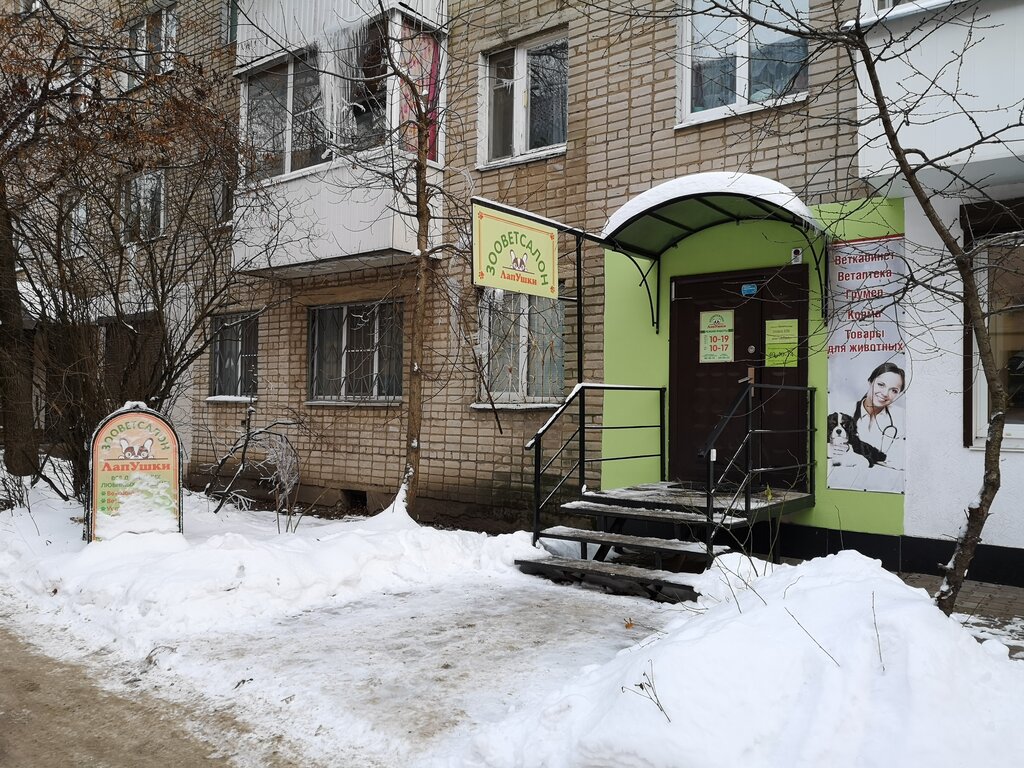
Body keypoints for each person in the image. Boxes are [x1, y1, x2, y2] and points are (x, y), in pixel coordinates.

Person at [851, 361, 905, 461]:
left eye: (894, 390)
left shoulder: (902, 416)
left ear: (899, 394)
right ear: (870, 381)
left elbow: (900, 459)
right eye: (881, 384)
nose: (885, 393)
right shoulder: (843, 410)